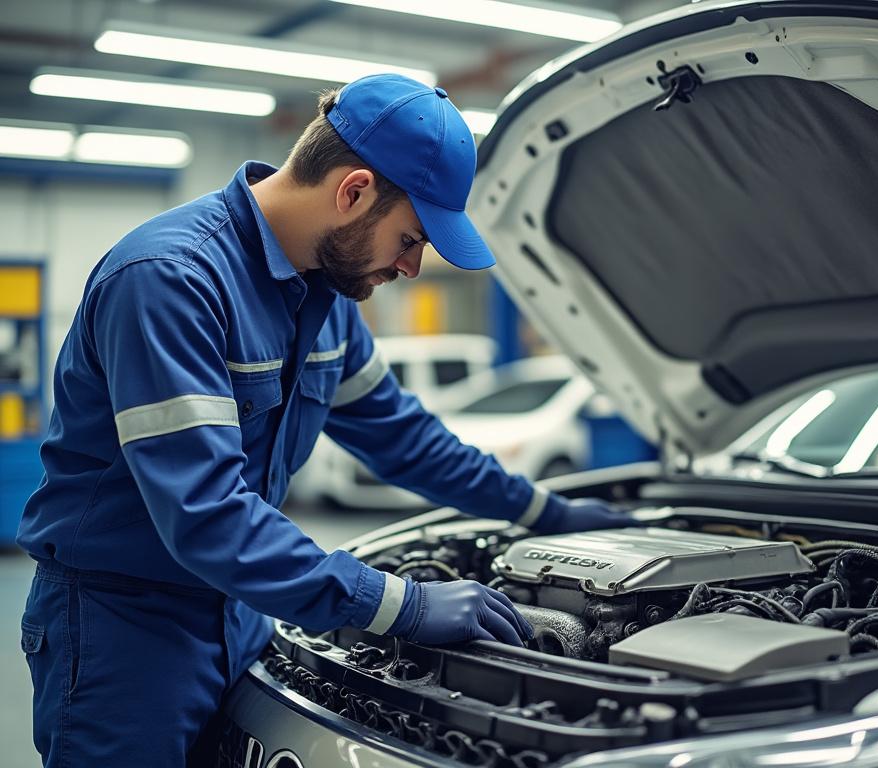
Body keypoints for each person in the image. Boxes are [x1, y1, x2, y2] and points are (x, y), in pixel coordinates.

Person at [16, 74, 636, 767]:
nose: (410, 266)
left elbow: (405, 439)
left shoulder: (329, 301)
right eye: (411, 237)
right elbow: (207, 513)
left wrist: (549, 513)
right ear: (354, 191)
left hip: (243, 608)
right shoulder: (171, 280)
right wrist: (398, 603)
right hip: (123, 630)